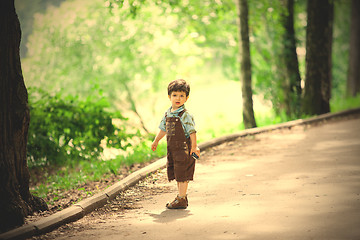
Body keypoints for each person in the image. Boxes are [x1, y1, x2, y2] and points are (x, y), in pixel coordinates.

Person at [151, 79, 200, 209]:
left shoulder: (185, 115)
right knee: (177, 173)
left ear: (186, 98)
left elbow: (192, 132)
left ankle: (182, 198)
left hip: (184, 149)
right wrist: (156, 140)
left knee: (183, 173)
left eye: (181, 95)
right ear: (169, 96)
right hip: (173, 149)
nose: (178, 98)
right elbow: (163, 129)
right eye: (174, 95)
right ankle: (181, 196)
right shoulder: (167, 113)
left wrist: (194, 147)